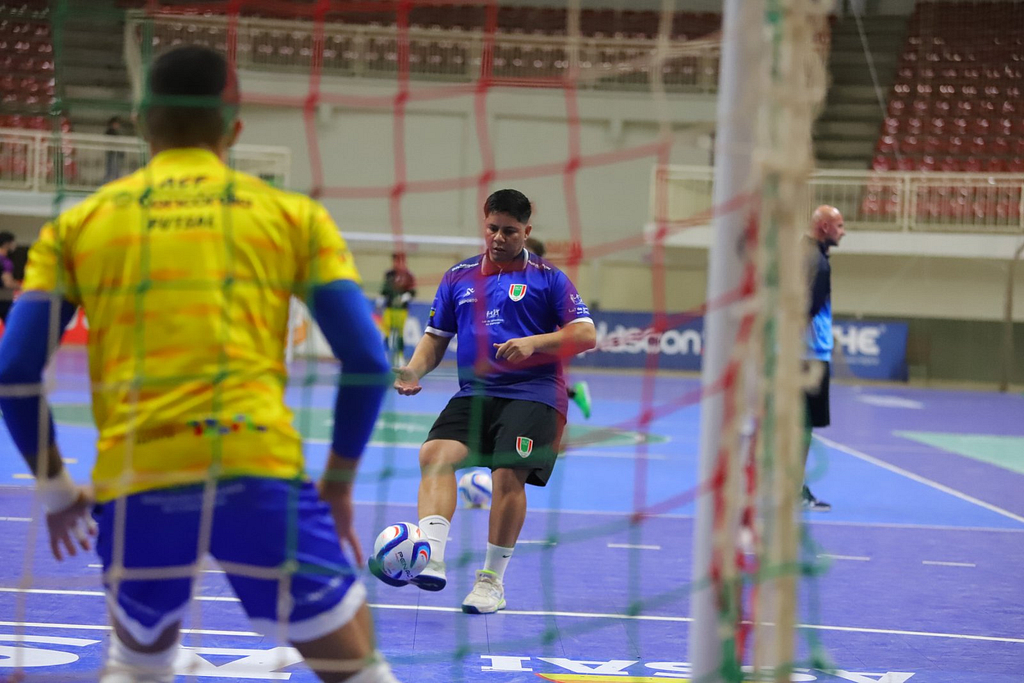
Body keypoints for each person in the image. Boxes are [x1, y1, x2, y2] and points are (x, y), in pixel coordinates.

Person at [0, 46, 398, 683]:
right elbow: (368, 360)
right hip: (257, 471)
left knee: (137, 663)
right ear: (234, 129)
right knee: (358, 669)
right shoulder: (291, 216)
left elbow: (15, 367)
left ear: (140, 122)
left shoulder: (77, 225)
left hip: (138, 482)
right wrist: (340, 485)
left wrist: (55, 492)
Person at [377, 189, 597, 614]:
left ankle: (490, 582)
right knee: (435, 454)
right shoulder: (458, 276)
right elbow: (435, 339)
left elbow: (585, 334)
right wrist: (414, 370)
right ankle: (432, 558)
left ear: (526, 232)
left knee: (507, 475)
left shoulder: (549, 278)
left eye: (510, 231)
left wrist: (534, 343)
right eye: (493, 228)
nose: (499, 237)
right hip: (476, 392)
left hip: (534, 393)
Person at [801, 204, 845, 512]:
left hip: (793, 354)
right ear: (824, 227)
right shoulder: (819, 264)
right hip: (808, 356)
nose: (843, 231)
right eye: (839, 226)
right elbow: (806, 309)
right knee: (802, 427)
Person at [524, 236, 592, 419]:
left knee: (540, 387)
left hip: (542, 341)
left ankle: (573, 394)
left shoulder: (549, 282)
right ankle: (574, 393)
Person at [376, 252, 417, 367]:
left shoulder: (408, 275)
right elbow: (384, 290)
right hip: (389, 308)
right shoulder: (389, 274)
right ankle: (383, 355)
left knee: (398, 333)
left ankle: (399, 356)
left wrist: (404, 298)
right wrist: (380, 301)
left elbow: (412, 292)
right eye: (396, 261)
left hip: (401, 310)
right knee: (387, 332)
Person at [0, 231, 18, 323]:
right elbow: (8, 283)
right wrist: (27, 287)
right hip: (4, 301)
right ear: (7, 244)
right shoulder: (5, 262)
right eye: (13, 242)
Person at [104, 115, 126, 182]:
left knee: (116, 170)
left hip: (117, 154)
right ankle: (106, 183)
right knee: (111, 170)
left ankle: (114, 182)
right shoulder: (110, 131)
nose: (118, 125)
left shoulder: (118, 132)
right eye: (116, 123)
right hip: (112, 153)